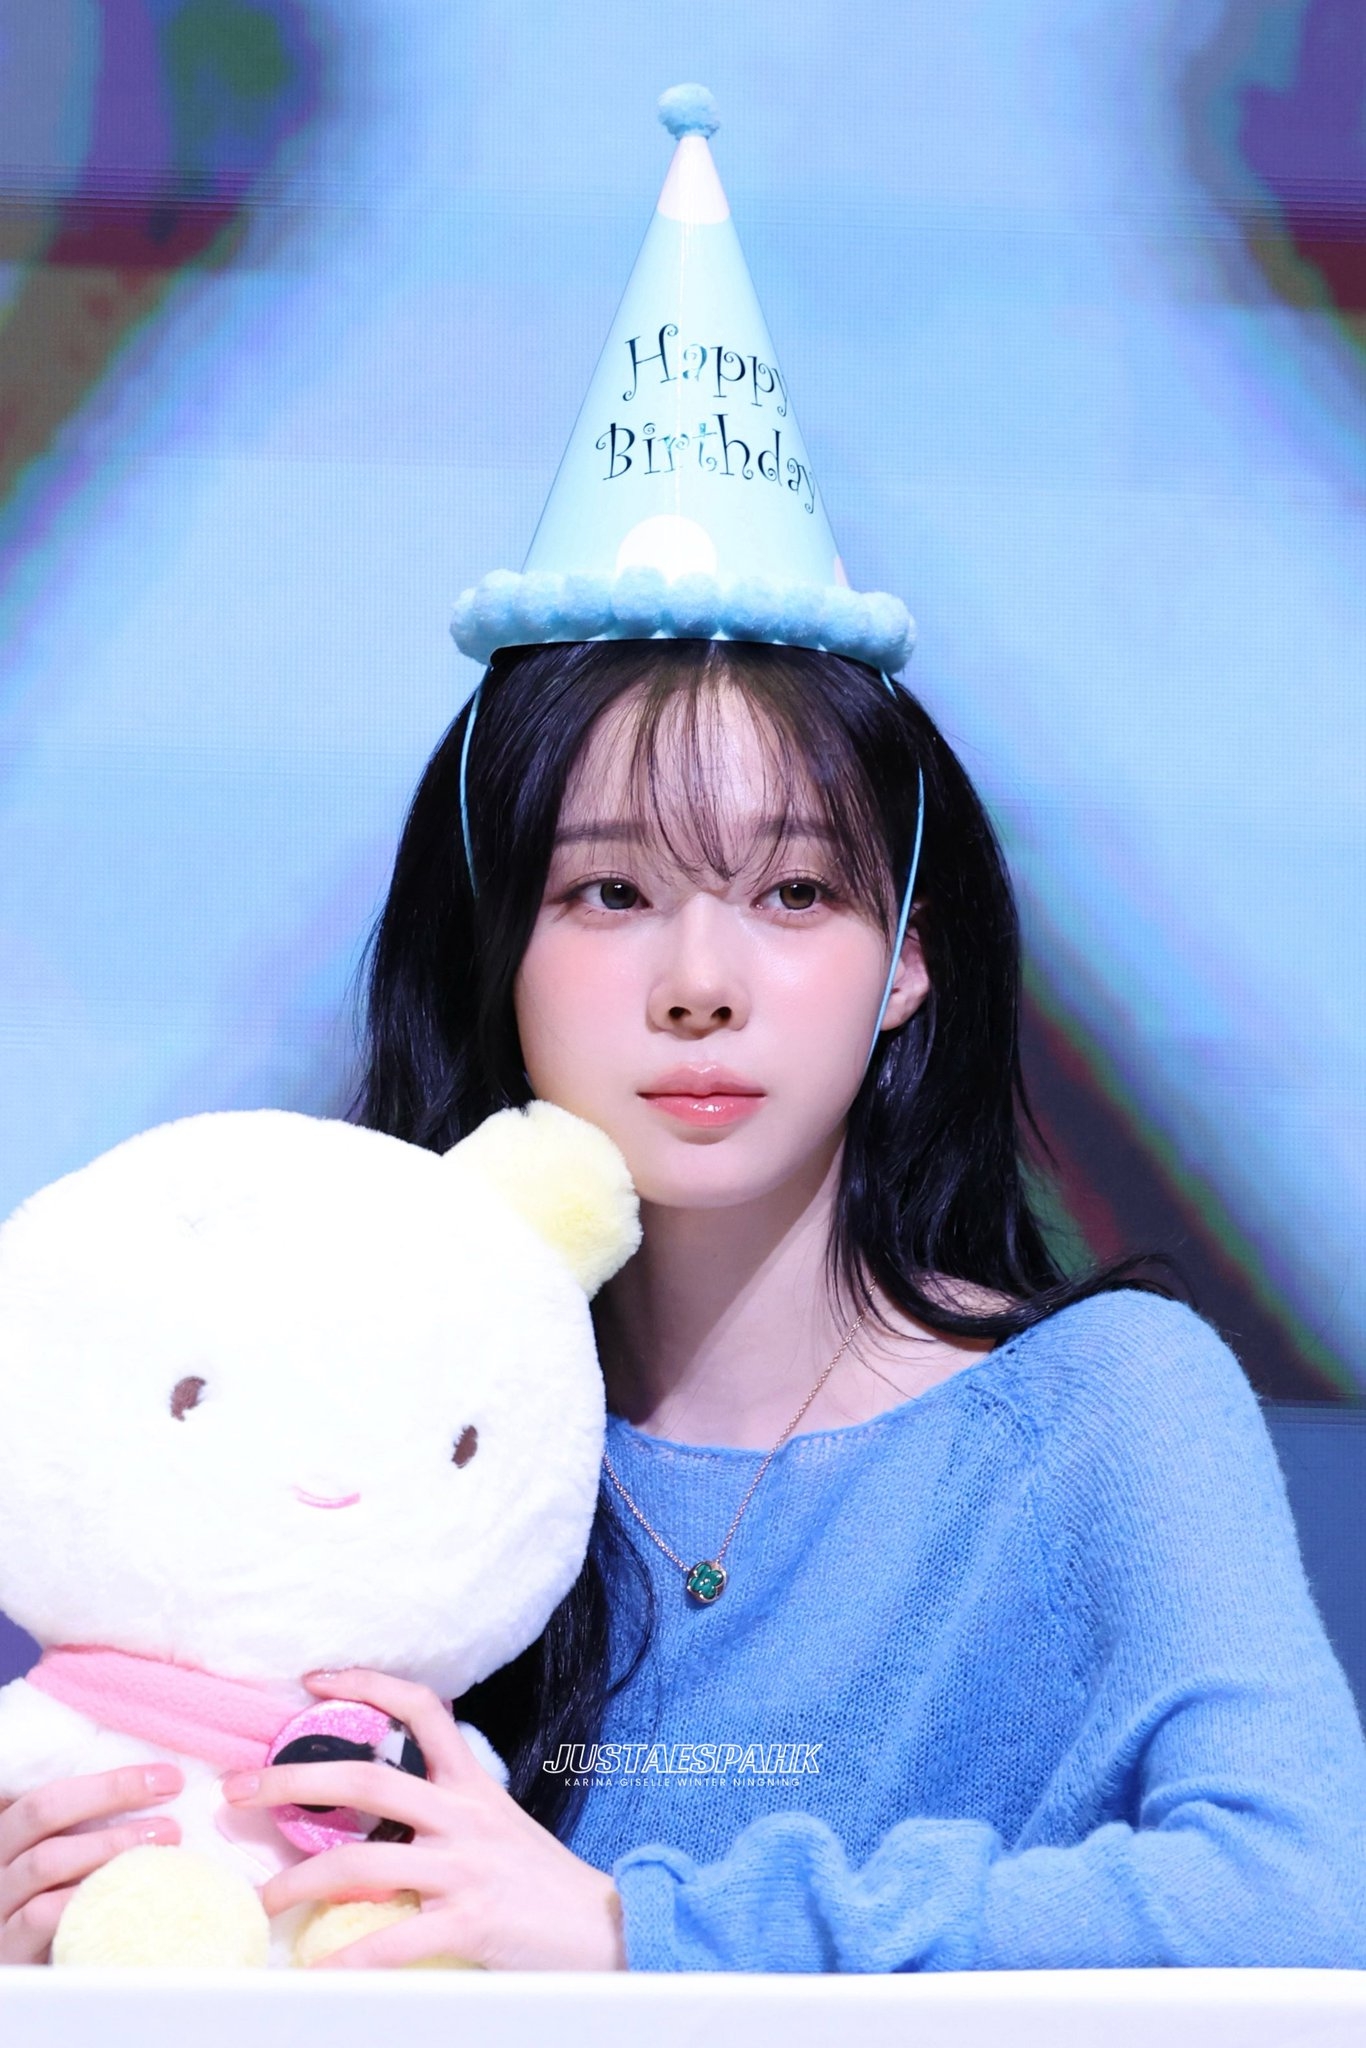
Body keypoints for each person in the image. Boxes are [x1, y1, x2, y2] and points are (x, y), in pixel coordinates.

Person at [4, 85, 1366, 1973]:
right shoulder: (351, 1430)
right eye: (607, 894)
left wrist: (635, 1933)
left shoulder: (1102, 1413)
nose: (699, 979)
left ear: (906, 962)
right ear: (493, 951)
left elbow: (1299, 1902)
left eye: (793, 893)